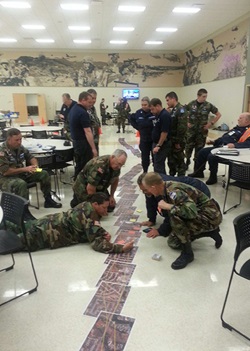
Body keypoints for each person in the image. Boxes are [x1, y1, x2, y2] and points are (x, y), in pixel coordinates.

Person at [142, 172, 222, 270]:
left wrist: (168, 206)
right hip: (202, 214)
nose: (147, 193)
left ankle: (187, 254)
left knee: (174, 214)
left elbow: (191, 212)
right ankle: (211, 232)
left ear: (153, 187)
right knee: (173, 242)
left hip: (210, 216)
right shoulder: (165, 188)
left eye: (147, 190)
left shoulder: (173, 191)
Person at [18, 193, 134, 254]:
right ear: (95, 204)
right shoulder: (90, 216)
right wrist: (121, 248)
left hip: (46, 221)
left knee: (16, 226)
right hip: (44, 235)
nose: (106, 211)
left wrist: (101, 232)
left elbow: (89, 226)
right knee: (12, 242)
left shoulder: (85, 205)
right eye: (104, 208)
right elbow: (97, 244)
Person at [137, 173, 211, 249]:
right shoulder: (150, 186)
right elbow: (150, 202)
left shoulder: (168, 189)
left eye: (145, 190)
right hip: (187, 196)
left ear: (153, 187)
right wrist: (151, 219)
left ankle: (206, 231)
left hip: (201, 192)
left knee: (175, 237)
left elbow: (170, 213)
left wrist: (161, 231)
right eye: (142, 190)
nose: (144, 192)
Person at [0, 128, 62, 212]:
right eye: (16, 140)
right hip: (6, 178)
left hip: (22, 172)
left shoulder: (19, 147)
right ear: (9, 139)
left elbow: (30, 157)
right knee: (21, 184)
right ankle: (24, 211)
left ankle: (48, 200)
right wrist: (25, 169)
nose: (19, 142)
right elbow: (6, 172)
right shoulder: (2, 151)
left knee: (43, 173)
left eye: (20, 139)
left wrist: (35, 166)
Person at [188, 112, 250, 184]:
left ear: (247, 121)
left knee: (212, 156)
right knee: (202, 152)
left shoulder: (247, 131)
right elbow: (224, 138)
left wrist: (234, 145)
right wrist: (214, 142)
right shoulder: (236, 129)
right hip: (221, 147)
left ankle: (213, 177)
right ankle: (198, 172)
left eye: (240, 118)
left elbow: (248, 144)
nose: (238, 119)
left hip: (232, 150)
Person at [185, 88, 221, 170]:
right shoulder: (191, 104)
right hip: (191, 131)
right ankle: (187, 160)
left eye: (206, 96)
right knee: (188, 147)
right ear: (198, 96)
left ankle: (197, 167)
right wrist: (186, 122)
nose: (205, 98)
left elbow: (218, 114)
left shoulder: (208, 105)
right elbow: (182, 112)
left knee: (199, 149)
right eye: (203, 96)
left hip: (202, 132)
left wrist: (210, 124)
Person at [69, 91, 98, 180]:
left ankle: (77, 184)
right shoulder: (82, 112)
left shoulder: (74, 109)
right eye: (89, 102)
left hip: (76, 142)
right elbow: (88, 131)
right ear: (82, 100)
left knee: (79, 165)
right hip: (83, 144)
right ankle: (80, 187)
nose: (91, 104)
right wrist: (93, 148)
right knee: (85, 166)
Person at [129, 96, 154, 172]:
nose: (143, 106)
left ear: (149, 105)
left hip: (153, 139)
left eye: (145, 105)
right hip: (144, 139)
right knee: (145, 157)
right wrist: (138, 127)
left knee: (155, 158)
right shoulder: (138, 113)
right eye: (142, 105)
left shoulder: (153, 112)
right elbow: (131, 118)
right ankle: (145, 171)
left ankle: (156, 173)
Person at [165, 91, 187, 176]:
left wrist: (178, 142)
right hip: (172, 140)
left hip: (178, 141)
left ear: (173, 99)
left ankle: (181, 180)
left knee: (179, 161)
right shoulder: (174, 110)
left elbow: (182, 128)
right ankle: (172, 177)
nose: (167, 102)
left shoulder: (181, 110)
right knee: (171, 161)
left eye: (168, 100)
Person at [150, 98, 172, 175]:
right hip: (156, 143)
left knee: (159, 166)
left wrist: (158, 145)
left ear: (158, 106)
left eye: (152, 109)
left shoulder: (164, 115)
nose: (151, 111)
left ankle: (162, 182)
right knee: (157, 165)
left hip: (162, 145)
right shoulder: (158, 115)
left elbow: (164, 132)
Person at [87, 88, 101, 155]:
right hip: (88, 143)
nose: (94, 100)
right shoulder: (85, 110)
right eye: (92, 98)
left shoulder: (92, 108)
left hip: (95, 141)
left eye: (95, 98)